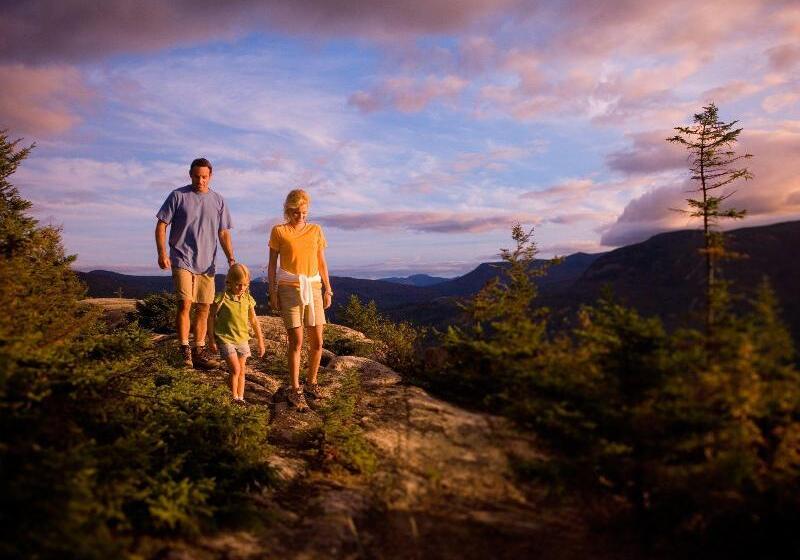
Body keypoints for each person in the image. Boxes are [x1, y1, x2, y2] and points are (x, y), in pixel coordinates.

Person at [155, 157, 235, 369]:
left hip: (207, 262)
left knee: (204, 307)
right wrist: (162, 253)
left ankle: (199, 349)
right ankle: (184, 350)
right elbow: (162, 224)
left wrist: (231, 258)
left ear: (210, 177)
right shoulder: (178, 196)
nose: (201, 181)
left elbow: (224, 233)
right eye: (197, 176)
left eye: (204, 177)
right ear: (190, 175)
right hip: (181, 257)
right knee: (185, 303)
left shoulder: (218, 200)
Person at [267, 189, 333, 411]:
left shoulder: (316, 230)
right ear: (288, 211)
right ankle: (295, 389)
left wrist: (328, 289)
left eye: (304, 212)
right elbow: (271, 265)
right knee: (296, 341)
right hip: (288, 288)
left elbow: (321, 262)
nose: (300, 216)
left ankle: (311, 383)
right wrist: (272, 292)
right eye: (296, 212)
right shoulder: (279, 231)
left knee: (318, 342)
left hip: (313, 287)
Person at [208, 263, 265, 403]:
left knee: (241, 371)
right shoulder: (222, 298)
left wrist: (260, 341)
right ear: (229, 282)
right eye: (239, 284)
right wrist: (211, 339)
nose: (242, 288)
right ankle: (234, 398)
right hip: (225, 338)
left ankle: (241, 398)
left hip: (242, 339)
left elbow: (254, 321)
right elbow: (210, 317)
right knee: (235, 369)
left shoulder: (247, 299)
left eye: (245, 285)